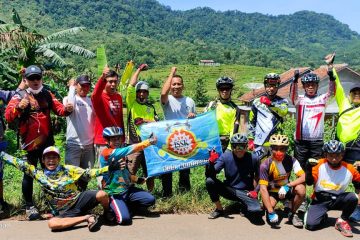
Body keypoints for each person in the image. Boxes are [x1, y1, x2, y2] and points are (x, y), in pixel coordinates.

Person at [5, 65, 73, 220]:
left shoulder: (47, 94)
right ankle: (29, 206)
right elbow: (8, 116)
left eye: (38, 77)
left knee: (51, 173)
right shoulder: (18, 95)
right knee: (29, 174)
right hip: (29, 145)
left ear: (42, 78)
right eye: (31, 78)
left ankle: (54, 203)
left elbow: (60, 110)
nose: (35, 81)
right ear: (26, 80)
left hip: (47, 143)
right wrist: (18, 108)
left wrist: (68, 109)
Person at [0, 146, 118, 232]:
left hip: (79, 200)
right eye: (48, 158)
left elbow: (89, 173)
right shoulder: (38, 174)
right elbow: (19, 163)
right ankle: (87, 218)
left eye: (54, 157)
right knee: (52, 224)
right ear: (43, 160)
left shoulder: (68, 169)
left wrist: (108, 168)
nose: (51, 160)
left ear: (58, 159)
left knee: (102, 194)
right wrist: (1, 154)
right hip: (65, 211)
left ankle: (107, 212)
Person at [100, 127, 156, 225]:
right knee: (124, 220)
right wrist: (148, 142)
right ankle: (111, 209)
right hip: (114, 193)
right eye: (113, 139)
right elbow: (130, 149)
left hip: (126, 190)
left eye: (118, 138)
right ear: (107, 141)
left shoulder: (120, 153)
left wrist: (137, 179)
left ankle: (125, 207)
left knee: (150, 199)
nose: (117, 141)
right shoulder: (107, 153)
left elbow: (124, 173)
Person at [305, 140, 360, 237]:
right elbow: (309, 183)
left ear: (342, 155)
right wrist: (308, 169)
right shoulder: (319, 164)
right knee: (310, 226)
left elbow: (358, 185)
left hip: (338, 199)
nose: (334, 159)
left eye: (337, 155)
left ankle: (342, 220)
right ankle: (322, 215)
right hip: (320, 199)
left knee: (353, 197)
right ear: (325, 154)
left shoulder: (350, 168)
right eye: (331, 155)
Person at [205, 133, 263, 222]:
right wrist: (211, 163)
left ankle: (242, 205)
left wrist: (255, 191)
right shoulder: (226, 156)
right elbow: (211, 174)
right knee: (209, 181)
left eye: (242, 147)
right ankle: (219, 209)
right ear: (232, 147)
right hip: (230, 190)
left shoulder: (254, 158)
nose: (239, 150)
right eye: (236, 147)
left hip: (246, 192)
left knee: (256, 212)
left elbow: (260, 177)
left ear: (246, 147)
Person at [160, 67, 196, 197]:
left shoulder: (190, 101)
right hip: (168, 139)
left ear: (183, 85)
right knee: (167, 170)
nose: (176, 86)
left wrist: (193, 116)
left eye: (178, 84)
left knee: (185, 169)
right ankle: (167, 195)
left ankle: (184, 194)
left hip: (185, 140)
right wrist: (171, 74)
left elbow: (195, 122)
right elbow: (163, 93)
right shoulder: (167, 100)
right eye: (173, 84)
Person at [289, 70, 335, 170]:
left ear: (317, 86)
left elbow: (332, 94)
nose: (310, 87)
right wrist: (295, 81)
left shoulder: (322, 99)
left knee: (317, 169)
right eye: (307, 85)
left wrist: (332, 79)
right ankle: (300, 185)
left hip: (317, 141)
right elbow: (292, 97)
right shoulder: (299, 99)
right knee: (299, 169)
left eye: (313, 85)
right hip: (301, 141)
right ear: (304, 86)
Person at [332, 67, 360, 222]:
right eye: (354, 93)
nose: (356, 95)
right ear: (350, 96)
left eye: (359, 94)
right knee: (335, 177)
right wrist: (331, 69)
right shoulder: (344, 105)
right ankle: (333, 204)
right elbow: (338, 87)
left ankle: (358, 210)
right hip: (339, 148)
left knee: (358, 181)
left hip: (357, 149)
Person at [259, 134, 306, 228]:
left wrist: (288, 185)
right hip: (272, 191)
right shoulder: (265, 164)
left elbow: (304, 176)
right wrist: (271, 212)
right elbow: (263, 189)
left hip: (286, 189)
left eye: (282, 149)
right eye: (275, 148)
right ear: (271, 148)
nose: (278, 152)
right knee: (270, 208)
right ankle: (270, 209)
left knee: (301, 189)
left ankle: (292, 213)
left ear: (287, 149)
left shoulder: (291, 160)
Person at [126, 63, 158, 192]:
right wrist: (138, 69)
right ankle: (128, 194)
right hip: (135, 144)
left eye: (144, 92)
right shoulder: (131, 103)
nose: (141, 94)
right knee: (130, 172)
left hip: (149, 145)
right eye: (139, 91)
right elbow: (130, 85)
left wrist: (147, 120)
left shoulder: (151, 107)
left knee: (150, 172)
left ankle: (150, 194)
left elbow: (157, 122)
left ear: (147, 93)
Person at [0, 79, 26, 215]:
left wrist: (23, 81)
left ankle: (1, 202)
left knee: (0, 174)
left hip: (0, 141)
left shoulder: (0, 94)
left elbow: (14, 94)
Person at [248, 73, 288, 159]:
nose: (271, 88)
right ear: (265, 86)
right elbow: (251, 121)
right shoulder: (256, 102)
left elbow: (283, 112)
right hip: (259, 141)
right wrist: (250, 139)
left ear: (278, 86)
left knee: (276, 169)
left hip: (276, 142)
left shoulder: (283, 101)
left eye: (274, 86)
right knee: (257, 168)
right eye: (269, 86)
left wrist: (270, 104)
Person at [91, 66, 125, 163]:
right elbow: (94, 94)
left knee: (119, 170)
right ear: (105, 82)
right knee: (104, 172)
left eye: (115, 81)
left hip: (118, 140)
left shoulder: (118, 97)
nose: (113, 84)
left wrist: (122, 138)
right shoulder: (99, 97)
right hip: (103, 141)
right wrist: (102, 78)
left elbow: (120, 118)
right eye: (110, 81)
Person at [63, 75, 95, 169]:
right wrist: (71, 87)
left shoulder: (91, 101)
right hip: (74, 144)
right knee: (72, 175)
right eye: (82, 85)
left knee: (86, 177)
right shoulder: (68, 99)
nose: (85, 88)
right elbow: (70, 107)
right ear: (77, 86)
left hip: (89, 145)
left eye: (87, 86)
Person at [204, 76, 239, 152]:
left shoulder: (235, 108)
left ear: (231, 90)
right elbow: (204, 122)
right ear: (218, 90)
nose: (225, 91)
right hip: (212, 142)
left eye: (227, 88)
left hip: (226, 142)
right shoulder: (211, 105)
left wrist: (230, 148)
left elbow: (234, 129)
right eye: (222, 89)